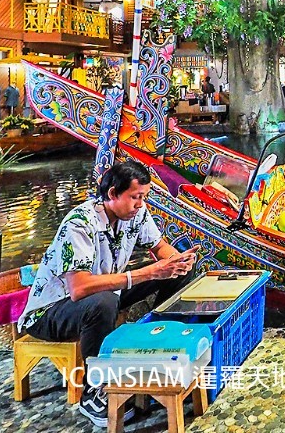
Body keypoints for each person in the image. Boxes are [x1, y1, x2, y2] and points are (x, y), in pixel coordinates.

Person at [18, 161, 198, 427]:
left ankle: (159, 355)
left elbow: (159, 247)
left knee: (177, 273)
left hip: (107, 291)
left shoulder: (136, 213)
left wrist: (178, 261)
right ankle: (95, 388)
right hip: (51, 312)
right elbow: (78, 289)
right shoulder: (79, 224)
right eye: (135, 197)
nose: (140, 204)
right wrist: (149, 273)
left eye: (144, 197)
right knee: (102, 302)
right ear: (113, 194)